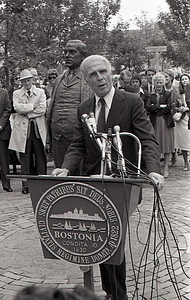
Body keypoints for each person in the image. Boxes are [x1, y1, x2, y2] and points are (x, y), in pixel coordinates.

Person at [51, 55, 164, 300]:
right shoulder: (84, 109)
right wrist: (66, 168)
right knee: (99, 237)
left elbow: (147, 138)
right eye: (93, 74)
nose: (99, 77)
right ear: (86, 79)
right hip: (94, 184)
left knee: (113, 238)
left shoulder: (132, 102)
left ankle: (118, 294)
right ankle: (111, 291)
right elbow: (78, 145)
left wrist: (153, 170)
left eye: (103, 71)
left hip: (123, 185)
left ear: (111, 72)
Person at [46, 39, 93, 168]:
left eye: (72, 52)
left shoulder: (89, 80)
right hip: (57, 136)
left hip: (78, 138)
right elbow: (51, 108)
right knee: (60, 173)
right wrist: (48, 137)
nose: (67, 55)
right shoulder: (58, 80)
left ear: (83, 55)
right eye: (65, 52)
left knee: (79, 176)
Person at [9, 69, 47, 194]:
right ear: (21, 82)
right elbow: (17, 108)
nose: (27, 83)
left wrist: (27, 112)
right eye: (24, 81)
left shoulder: (40, 92)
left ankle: (42, 182)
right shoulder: (17, 93)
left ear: (33, 80)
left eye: (29, 80)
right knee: (25, 157)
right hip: (22, 129)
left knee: (40, 155)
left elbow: (42, 109)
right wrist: (32, 107)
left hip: (37, 128)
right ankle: (26, 185)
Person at [146, 73, 175, 178]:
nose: (158, 85)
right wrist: (159, 107)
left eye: (160, 82)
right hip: (154, 121)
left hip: (165, 120)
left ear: (163, 83)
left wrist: (157, 108)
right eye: (157, 82)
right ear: (154, 83)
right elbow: (148, 106)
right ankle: (157, 168)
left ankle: (166, 168)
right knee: (155, 144)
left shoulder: (168, 94)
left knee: (166, 144)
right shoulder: (150, 94)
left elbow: (169, 107)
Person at [0, 87, 12, 192]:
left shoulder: (4, 93)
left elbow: (8, 109)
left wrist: (0, 125)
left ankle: (6, 184)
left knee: (4, 160)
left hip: (2, 131)